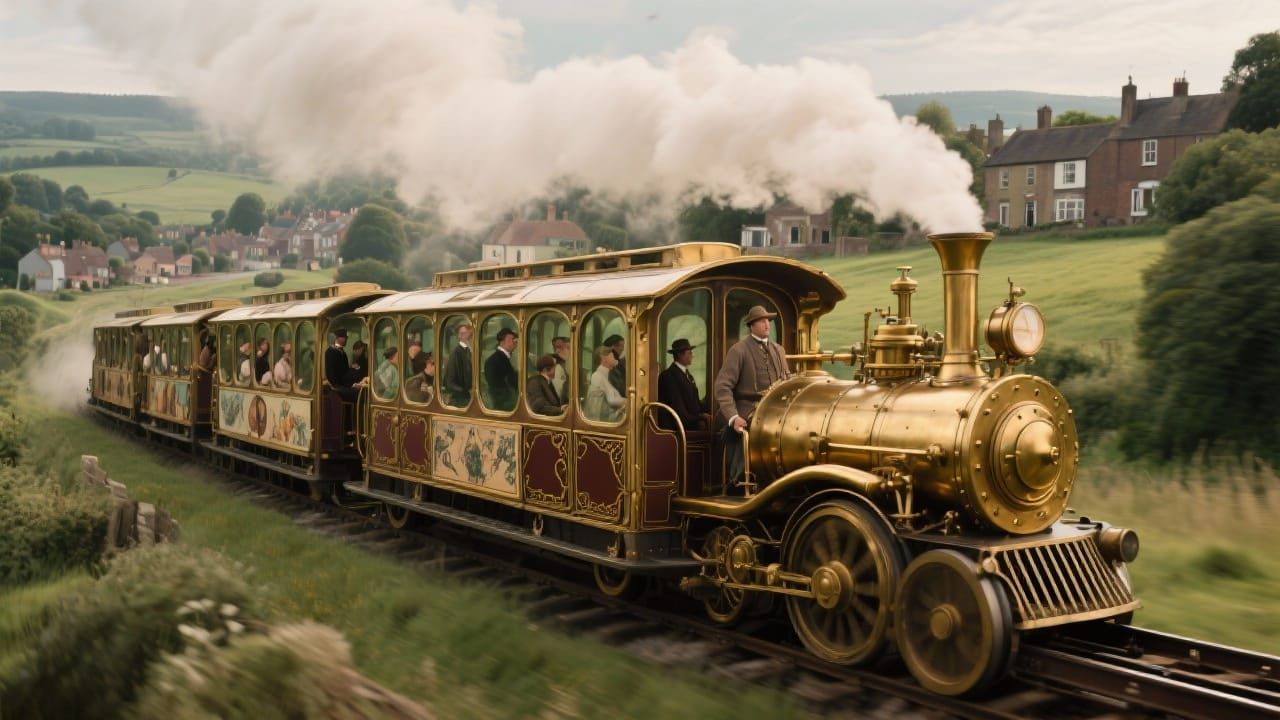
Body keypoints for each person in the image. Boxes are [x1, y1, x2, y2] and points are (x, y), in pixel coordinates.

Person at [714, 305, 790, 484]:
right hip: (747, 410)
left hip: (775, 410)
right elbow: (722, 386)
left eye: (768, 321)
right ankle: (739, 481)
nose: (767, 324)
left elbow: (787, 379)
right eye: (762, 321)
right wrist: (733, 417)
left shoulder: (779, 350)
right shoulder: (739, 350)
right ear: (752, 326)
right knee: (747, 430)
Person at [658, 338, 708, 431]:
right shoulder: (668, 376)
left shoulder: (688, 375)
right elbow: (678, 408)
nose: (692, 356)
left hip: (689, 420)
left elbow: (694, 402)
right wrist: (700, 418)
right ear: (680, 355)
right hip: (678, 426)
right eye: (689, 353)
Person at [585, 345, 625, 422]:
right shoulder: (597, 376)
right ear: (604, 358)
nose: (615, 358)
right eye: (612, 355)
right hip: (600, 422)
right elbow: (612, 400)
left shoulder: (604, 376)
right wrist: (628, 401)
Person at [484, 327, 519, 411]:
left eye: (514, 339)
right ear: (502, 342)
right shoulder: (494, 360)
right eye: (511, 339)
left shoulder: (507, 357)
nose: (514, 341)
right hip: (503, 404)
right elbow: (496, 385)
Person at [442, 323, 473, 406]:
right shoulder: (456, 353)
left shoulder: (469, 351)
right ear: (459, 336)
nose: (468, 336)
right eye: (463, 333)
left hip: (469, 397)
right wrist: (466, 391)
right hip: (461, 400)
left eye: (468, 333)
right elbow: (450, 382)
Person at [551, 335, 570, 400]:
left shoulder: (570, 361)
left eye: (560, 347)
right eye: (555, 347)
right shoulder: (555, 365)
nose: (557, 350)